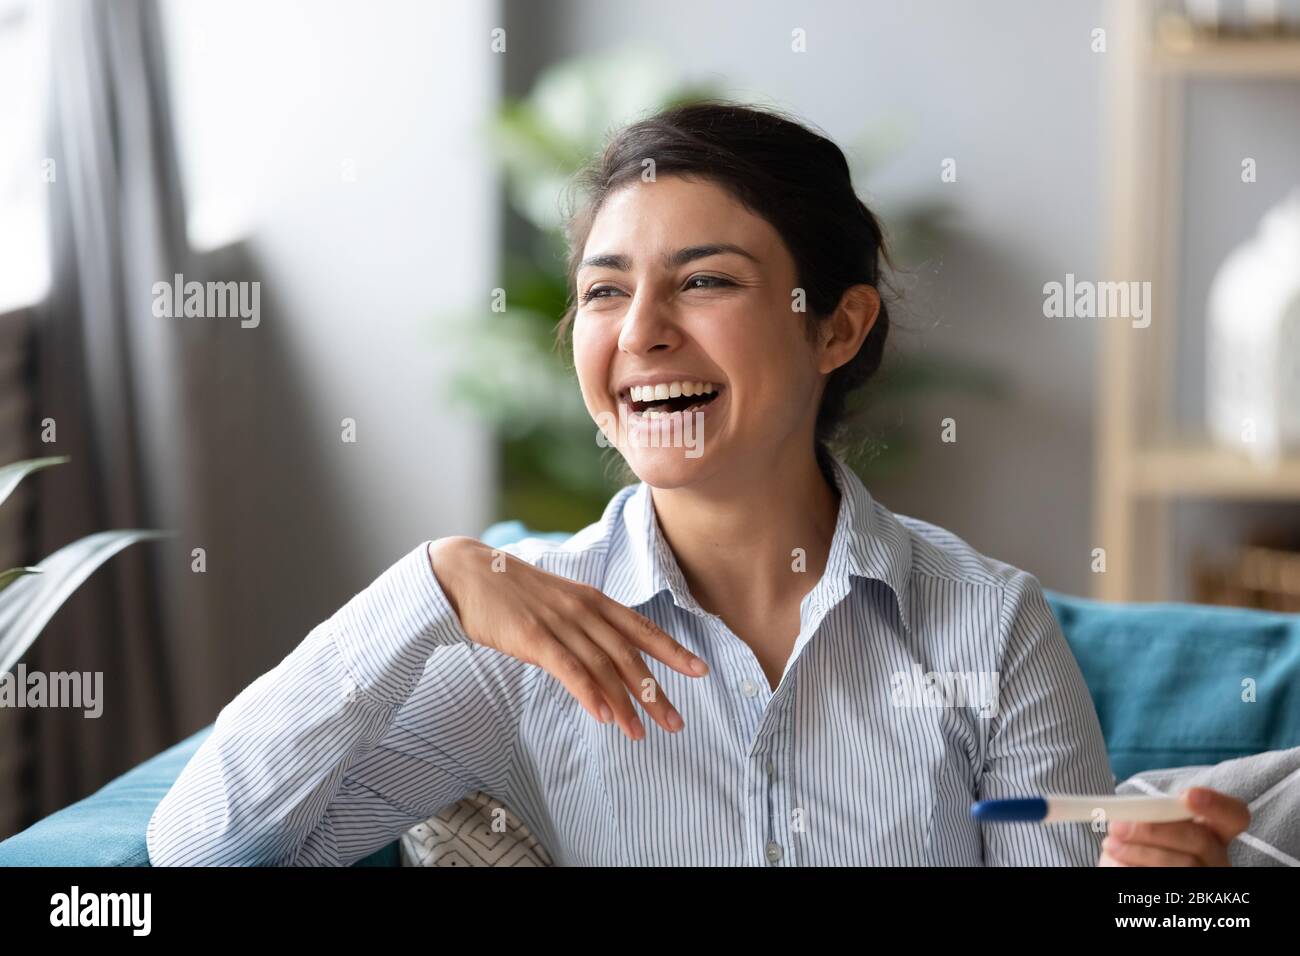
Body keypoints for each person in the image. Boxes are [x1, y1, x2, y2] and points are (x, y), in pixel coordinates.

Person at [147, 102, 1249, 866]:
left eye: (706, 280)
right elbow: (197, 846)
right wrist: (432, 583)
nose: (641, 333)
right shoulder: (523, 649)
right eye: (603, 291)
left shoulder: (987, 624)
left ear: (837, 326)